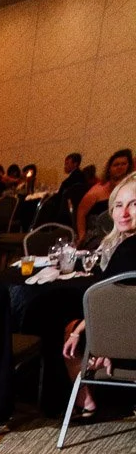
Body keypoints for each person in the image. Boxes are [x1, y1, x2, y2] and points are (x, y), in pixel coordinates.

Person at [62, 172, 136, 418]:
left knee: (68, 329)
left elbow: (114, 304)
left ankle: (89, 402)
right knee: (77, 326)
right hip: (126, 332)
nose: (124, 213)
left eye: (134, 204)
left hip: (127, 344)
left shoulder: (128, 250)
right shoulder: (124, 246)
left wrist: (101, 341)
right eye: (118, 205)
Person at [76, 149, 134, 243]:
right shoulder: (97, 191)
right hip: (99, 237)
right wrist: (82, 235)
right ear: (109, 168)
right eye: (116, 165)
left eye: (123, 164)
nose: (120, 167)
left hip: (126, 234)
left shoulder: (132, 188)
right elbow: (81, 213)